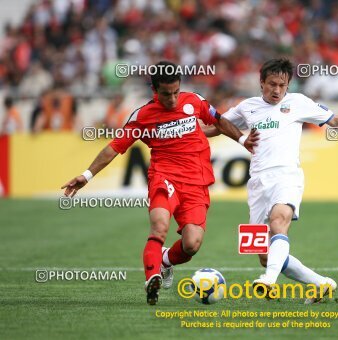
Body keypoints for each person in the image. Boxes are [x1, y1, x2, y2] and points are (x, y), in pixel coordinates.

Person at [61, 61, 259, 305]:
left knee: (192, 244)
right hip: (164, 178)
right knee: (159, 226)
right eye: (166, 94)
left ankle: (164, 261)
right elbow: (114, 147)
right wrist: (87, 175)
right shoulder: (143, 116)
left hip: (196, 183)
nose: (173, 99)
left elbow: (219, 121)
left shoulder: (194, 101)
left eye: (176, 92)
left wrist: (242, 140)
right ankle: (151, 277)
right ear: (155, 91)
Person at [203, 58, 338, 303]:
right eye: (272, 84)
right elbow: (219, 126)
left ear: (289, 85)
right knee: (263, 254)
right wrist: (182, 132)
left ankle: (268, 282)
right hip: (258, 182)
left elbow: (336, 121)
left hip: (287, 175)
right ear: (261, 83)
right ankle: (321, 284)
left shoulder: (299, 103)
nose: (277, 90)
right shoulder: (246, 107)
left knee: (278, 221)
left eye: (282, 85)